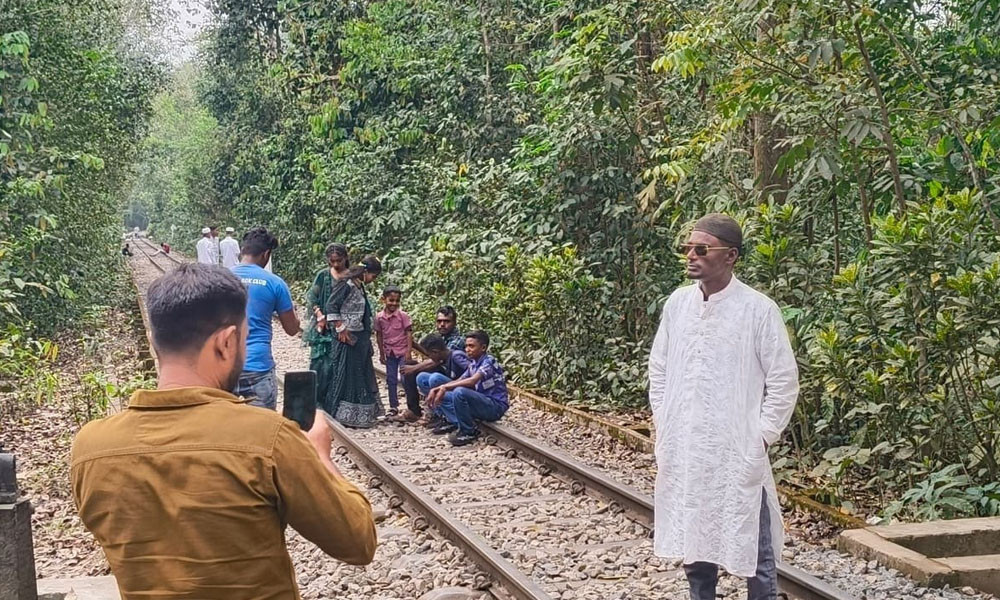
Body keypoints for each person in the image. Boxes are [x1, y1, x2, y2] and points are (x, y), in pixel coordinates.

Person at [70, 263, 376, 599]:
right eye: (244, 338)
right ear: (227, 342)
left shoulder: (89, 447)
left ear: (152, 339)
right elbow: (357, 542)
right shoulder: (269, 439)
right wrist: (319, 456)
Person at [648, 213, 798, 600]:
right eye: (688, 248)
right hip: (687, 445)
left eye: (702, 249)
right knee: (695, 541)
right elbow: (659, 368)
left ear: (730, 256)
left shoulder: (758, 309)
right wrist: (665, 421)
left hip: (737, 448)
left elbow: (783, 380)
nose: (691, 256)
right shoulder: (678, 305)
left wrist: (761, 436)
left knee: (754, 544)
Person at [230, 227, 301, 409]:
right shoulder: (275, 283)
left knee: (224, 430)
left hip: (225, 366)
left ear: (243, 250)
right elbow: (292, 329)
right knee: (263, 430)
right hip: (258, 367)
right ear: (266, 254)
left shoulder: (221, 278)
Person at [323, 255, 383, 428]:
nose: (373, 280)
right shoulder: (346, 285)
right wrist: (340, 327)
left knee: (358, 374)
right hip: (347, 338)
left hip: (359, 337)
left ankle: (359, 414)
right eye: (373, 276)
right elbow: (331, 306)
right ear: (365, 272)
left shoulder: (359, 285)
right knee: (346, 374)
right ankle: (342, 414)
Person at [424, 330, 509, 446]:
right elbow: (459, 380)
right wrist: (439, 388)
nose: (467, 349)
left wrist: (444, 386)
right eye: (466, 346)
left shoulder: (489, 361)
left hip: (495, 406)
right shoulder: (473, 363)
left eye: (471, 346)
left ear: (483, 348)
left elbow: (472, 380)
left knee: (460, 392)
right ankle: (454, 421)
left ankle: (468, 431)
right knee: (445, 393)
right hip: (482, 402)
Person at [304, 243, 351, 414]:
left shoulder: (352, 276)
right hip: (325, 328)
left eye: (339, 261)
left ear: (345, 258)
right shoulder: (323, 276)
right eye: (332, 261)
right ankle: (317, 401)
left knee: (340, 366)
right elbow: (312, 297)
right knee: (321, 365)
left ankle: (336, 403)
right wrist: (318, 314)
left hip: (345, 327)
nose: (336, 265)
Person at [398, 305, 464, 423]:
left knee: (416, 372)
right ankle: (418, 410)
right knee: (410, 368)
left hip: (452, 376)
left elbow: (437, 360)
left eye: (446, 321)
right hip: (441, 371)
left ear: (454, 322)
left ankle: (439, 412)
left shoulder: (457, 340)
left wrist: (414, 368)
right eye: (439, 321)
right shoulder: (440, 337)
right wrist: (413, 344)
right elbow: (432, 355)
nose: (442, 324)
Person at [374, 285, 412, 418]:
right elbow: (379, 335)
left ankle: (411, 405)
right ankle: (393, 406)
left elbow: (408, 334)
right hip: (389, 352)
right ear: (384, 300)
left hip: (402, 351)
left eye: (397, 301)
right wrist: (381, 353)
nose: (394, 304)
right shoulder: (379, 317)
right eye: (391, 300)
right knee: (391, 379)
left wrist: (408, 352)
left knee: (405, 377)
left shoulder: (403, 316)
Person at [414, 333, 471, 419]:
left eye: (430, 355)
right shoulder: (443, 359)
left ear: (435, 352)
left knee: (435, 378)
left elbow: (473, 372)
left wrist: (454, 383)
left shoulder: (456, 356)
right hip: (454, 386)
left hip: (464, 389)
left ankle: (453, 419)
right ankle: (440, 413)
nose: (430, 358)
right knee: (421, 377)